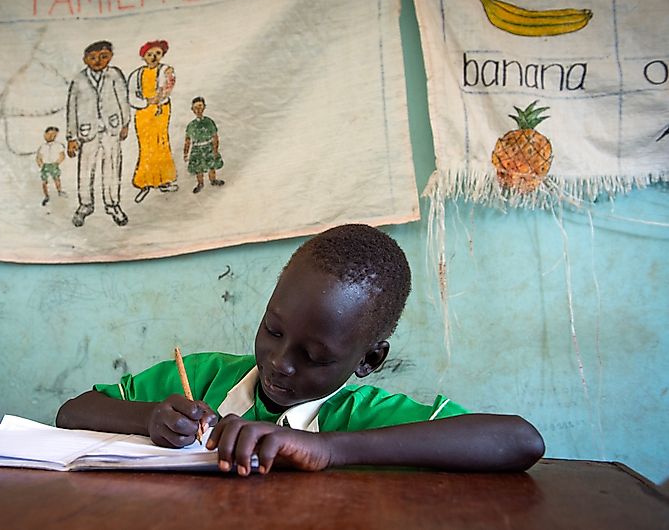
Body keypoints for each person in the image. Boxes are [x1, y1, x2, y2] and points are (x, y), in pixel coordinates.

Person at [56, 224, 545, 476]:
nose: (279, 363)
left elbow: (520, 441)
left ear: (368, 360)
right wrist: (147, 418)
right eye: (272, 330)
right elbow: (72, 411)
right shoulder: (207, 378)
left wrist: (327, 449)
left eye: (314, 356)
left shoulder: (365, 416)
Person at [66, 40, 130, 227]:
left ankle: (113, 204)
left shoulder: (115, 75)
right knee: (85, 170)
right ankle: (85, 204)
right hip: (87, 132)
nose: (98, 61)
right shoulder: (78, 80)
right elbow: (72, 109)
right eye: (92, 58)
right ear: (85, 59)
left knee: (112, 168)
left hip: (111, 129)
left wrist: (125, 123)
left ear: (110, 57)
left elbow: (123, 99)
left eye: (103, 57)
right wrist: (72, 137)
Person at [127, 40, 178, 204]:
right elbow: (130, 95)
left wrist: (160, 96)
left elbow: (167, 87)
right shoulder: (137, 74)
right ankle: (145, 182)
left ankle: (164, 180)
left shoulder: (165, 70)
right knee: (146, 145)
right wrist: (146, 102)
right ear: (143, 57)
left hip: (160, 110)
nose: (153, 57)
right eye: (149, 54)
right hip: (143, 112)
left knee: (161, 143)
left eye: (157, 53)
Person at [183, 97, 224, 194]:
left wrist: (215, 149)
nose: (198, 110)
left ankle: (213, 180)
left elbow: (215, 136)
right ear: (192, 109)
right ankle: (200, 183)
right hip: (197, 149)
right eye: (195, 107)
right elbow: (187, 140)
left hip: (208, 147)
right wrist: (185, 153)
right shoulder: (191, 125)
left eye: (200, 106)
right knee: (198, 168)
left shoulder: (209, 122)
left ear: (204, 107)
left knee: (211, 166)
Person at [35, 126, 67, 206]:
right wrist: (40, 164)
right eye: (48, 134)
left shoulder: (58, 145)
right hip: (45, 165)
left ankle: (59, 191)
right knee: (44, 181)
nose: (50, 137)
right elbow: (39, 156)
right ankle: (46, 196)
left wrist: (57, 162)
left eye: (53, 135)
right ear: (45, 135)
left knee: (56, 178)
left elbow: (62, 155)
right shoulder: (43, 147)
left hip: (54, 164)